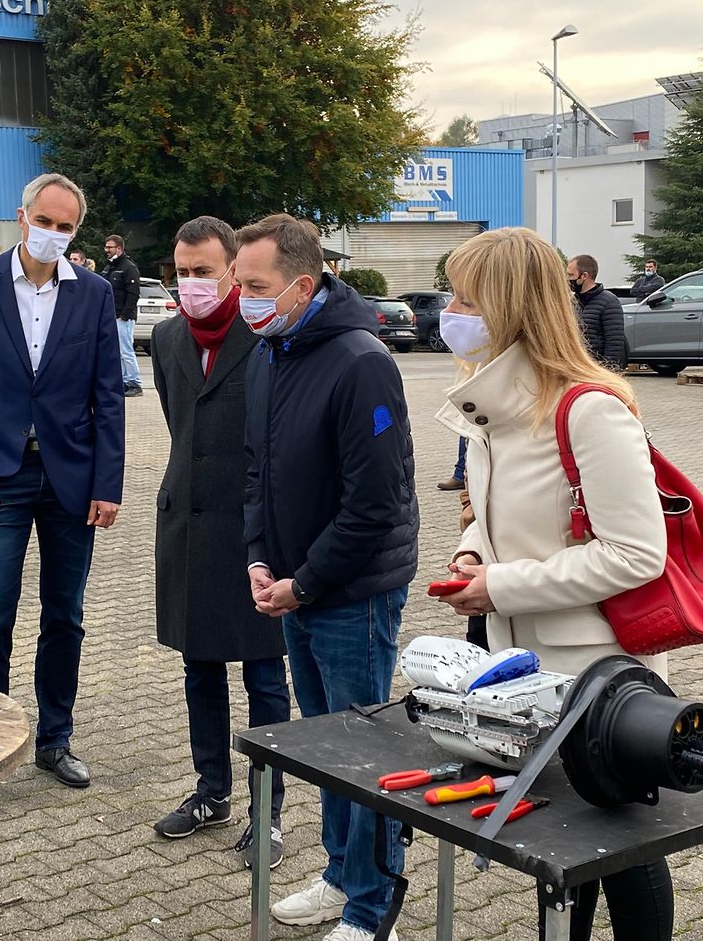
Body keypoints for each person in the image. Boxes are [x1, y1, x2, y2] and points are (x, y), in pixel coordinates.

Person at [436, 227, 673, 941]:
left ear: (508, 307)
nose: (450, 311)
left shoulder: (590, 408)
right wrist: (474, 555)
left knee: (625, 850)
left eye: (465, 297)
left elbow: (637, 554)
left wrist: (501, 586)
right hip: (524, 666)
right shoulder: (491, 411)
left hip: (599, 675)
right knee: (559, 853)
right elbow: (489, 517)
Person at [238, 213, 418, 941]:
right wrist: (258, 557)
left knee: (364, 754)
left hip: (350, 594)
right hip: (296, 588)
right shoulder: (270, 352)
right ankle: (344, 872)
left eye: (255, 286)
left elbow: (375, 502)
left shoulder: (360, 360)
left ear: (302, 285)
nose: (240, 298)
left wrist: (305, 583)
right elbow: (258, 472)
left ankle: (375, 910)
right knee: (325, 748)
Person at [0, 173, 126, 822]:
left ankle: (55, 738)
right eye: (43, 221)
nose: (52, 234)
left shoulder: (96, 295)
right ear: (22, 218)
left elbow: (108, 392)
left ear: (74, 230)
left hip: (72, 481)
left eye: (65, 225)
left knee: (65, 615)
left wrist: (109, 484)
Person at [149, 216, 291, 867]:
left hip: (253, 529)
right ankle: (212, 790)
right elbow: (184, 424)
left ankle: (270, 811)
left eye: (204, 271)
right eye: (182, 272)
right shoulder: (168, 336)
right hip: (188, 525)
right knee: (198, 668)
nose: (191, 284)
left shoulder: (264, 333)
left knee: (265, 674)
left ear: (233, 268)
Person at [101, 234, 143, 397]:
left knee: (126, 351)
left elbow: (133, 294)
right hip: (111, 316)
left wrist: (124, 315)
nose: (107, 251)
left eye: (109, 247)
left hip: (122, 317)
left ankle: (135, 382)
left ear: (119, 248)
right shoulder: (109, 267)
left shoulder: (128, 267)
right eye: (106, 247)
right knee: (118, 351)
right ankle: (125, 381)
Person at [567, 254, 625, 370]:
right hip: (576, 369)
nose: (567, 279)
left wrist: (607, 372)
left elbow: (614, 343)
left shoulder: (609, 302)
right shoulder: (571, 302)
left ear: (584, 276)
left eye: (571, 275)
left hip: (597, 370)